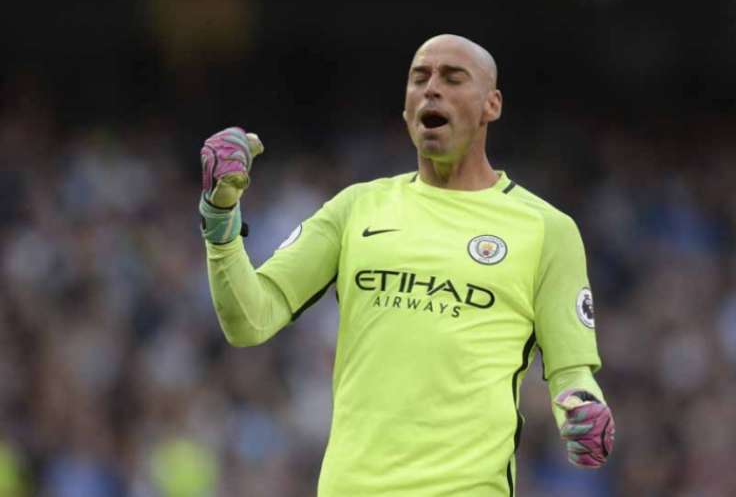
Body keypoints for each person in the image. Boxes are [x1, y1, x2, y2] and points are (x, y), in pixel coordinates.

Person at [199, 34, 615, 497]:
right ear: (405, 109)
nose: (431, 89)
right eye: (420, 79)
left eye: (453, 78)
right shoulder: (357, 208)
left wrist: (584, 411)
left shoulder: (546, 230)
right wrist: (220, 217)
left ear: (491, 105)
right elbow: (250, 319)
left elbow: (572, 375)